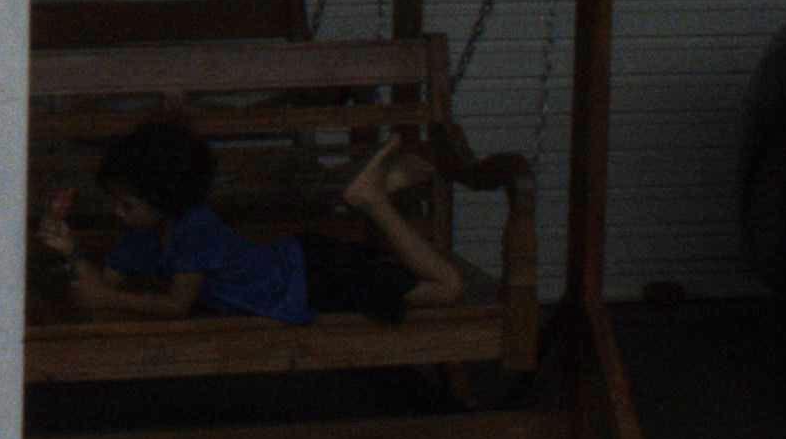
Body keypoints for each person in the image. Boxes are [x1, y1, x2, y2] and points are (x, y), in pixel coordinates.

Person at [40, 115, 467, 325]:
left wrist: (104, 298)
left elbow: (175, 306)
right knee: (412, 280)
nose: (117, 213)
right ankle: (388, 187)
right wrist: (70, 251)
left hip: (313, 278)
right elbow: (101, 290)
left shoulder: (193, 228)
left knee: (446, 288)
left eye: (127, 204)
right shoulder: (144, 232)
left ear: (164, 200)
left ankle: (374, 199)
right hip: (303, 269)